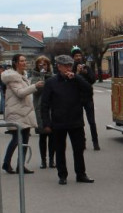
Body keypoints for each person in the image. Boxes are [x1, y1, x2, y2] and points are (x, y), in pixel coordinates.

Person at [40, 54, 94, 186]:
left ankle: (81, 174)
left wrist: (77, 78)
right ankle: (62, 175)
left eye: (70, 65)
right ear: (59, 67)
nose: (68, 68)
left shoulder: (76, 80)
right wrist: (46, 123)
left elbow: (89, 90)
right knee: (60, 150)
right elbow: (44, 104)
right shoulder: (51, 82)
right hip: (59, 121)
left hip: (76, 120)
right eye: (65, 66)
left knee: (78, 149)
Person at [1, 54, 41, 174]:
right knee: (16, 139)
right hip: (16, 112)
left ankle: (20, 165)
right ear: (15, 63)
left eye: (25, 61)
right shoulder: (12, 77)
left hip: (24, 112)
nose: (25, 63)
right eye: (22, 61)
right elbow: (20, 93)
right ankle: (6, 163)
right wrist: (35, 86)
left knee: (24, 140)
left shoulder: (22, 75)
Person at [71, 47, 100, 150]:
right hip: (77, 98)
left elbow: (93, 80)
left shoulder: (86, 67)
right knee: (79, 122)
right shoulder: (71, 69)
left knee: (91, 121)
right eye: (76, 56)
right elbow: (70, 83)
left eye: (79, 55)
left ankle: (95, 142)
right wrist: (77, 73)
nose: (78, 57)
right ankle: (82, 141)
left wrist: (85, 73)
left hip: (88, 98)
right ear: (73, 58)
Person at [31, 56, 54, 169]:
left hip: (52, 108)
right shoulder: (35, 77)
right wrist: (42, 76)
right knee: (43, 135)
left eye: (44, 64)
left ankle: (51, 160)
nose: (42, 66)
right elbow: (37, 90)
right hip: (40, 109)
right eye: (40, 64)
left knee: (52, 136)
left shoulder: (53, 77)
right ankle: (43, 160)